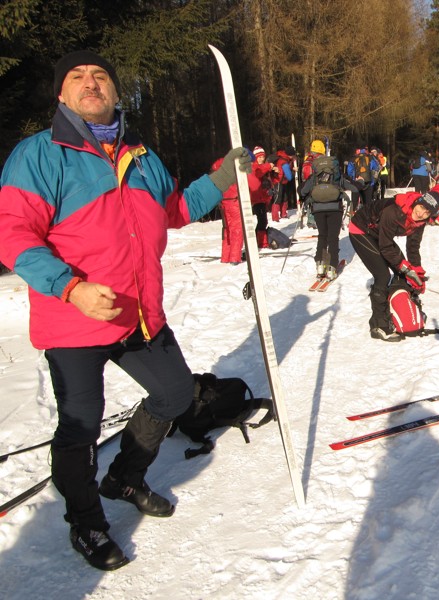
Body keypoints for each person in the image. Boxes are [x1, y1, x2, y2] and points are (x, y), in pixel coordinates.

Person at [0, 50, 250, 571]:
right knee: (80, 426)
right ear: (61, 94)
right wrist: (70, 288)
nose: (91, 83)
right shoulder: (39, 154)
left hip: (138, 314)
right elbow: (13, 233)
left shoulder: (142, 156)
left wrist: (223, 177)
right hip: (74, 319)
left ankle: (125, 478)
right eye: (77, 77)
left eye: (101, 76)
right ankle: (86, 522)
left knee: (175, 393)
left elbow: (175, 210)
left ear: (115, 91)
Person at [349, 186, 439, 341]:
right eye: (421, 207)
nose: (421, 213)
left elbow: (413, 247)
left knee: (403, 270)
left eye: (427, 212)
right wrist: (406, 268)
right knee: (383, 275)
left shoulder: (420, 222)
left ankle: (405, 308)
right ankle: (378, 326)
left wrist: (417, 273)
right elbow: (386, 247)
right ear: (417, 202)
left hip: (379, 234)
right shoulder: (394, 211)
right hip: (361, 230)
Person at [300, 153, 345, 280]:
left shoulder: (315, 176)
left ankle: (320, 264)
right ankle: (332, 267)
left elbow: (303, 191)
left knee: (322, 236)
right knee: (333, 238)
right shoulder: (336, 175)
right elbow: (352, 187)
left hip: (318, 209)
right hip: (335, 209)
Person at [212, 152, 246, 263]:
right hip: (234, 201)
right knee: (237, 229)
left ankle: (225, 257)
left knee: (227, 229)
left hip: (223, 202)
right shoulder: (235, 168)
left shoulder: (218, 168)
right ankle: (235, 258)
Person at [250, 146, 275, 248]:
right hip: (256, 198)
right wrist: (268, 166)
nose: (261, 159)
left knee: (263, 220)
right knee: (262, 220)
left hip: (262, 198)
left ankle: (260, 241)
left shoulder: (262, 167)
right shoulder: (254, 166)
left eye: (263, 157)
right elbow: (258, 173)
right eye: (259, 157)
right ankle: (259, 242)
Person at [271, 145, 296, 221]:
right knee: (278, 198)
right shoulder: (284, 162)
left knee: (284, 197)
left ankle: (283, 214)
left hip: (282, 181)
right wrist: (294, 171)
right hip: (278, 181)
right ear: (290, 155)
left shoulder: (284, 158)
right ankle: (275, 217)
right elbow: (289, 176)